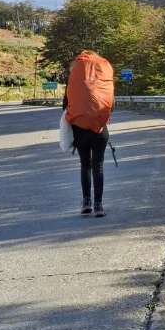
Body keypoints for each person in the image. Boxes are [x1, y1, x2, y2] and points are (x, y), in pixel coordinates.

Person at [63, 50, 115, 216]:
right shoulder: (102, 79)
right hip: (100, 129)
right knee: (98, 166)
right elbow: (111, 105)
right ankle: (99, 206)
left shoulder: (75, 79)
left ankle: (86, 202)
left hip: (80, 130)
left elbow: (65, 105)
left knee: (85, 164)